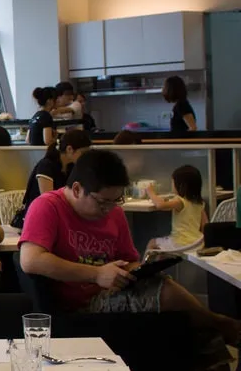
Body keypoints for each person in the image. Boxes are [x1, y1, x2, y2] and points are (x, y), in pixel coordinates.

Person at [18, 149, 239, 359]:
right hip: (79, 305)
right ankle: (221, 323)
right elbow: (30, 260)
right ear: (77, 189)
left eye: (116, 201)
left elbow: (129, 259)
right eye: (103, 202)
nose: (109, 209)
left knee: (195, 329)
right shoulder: (47, 206)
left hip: (115, 292)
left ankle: (216, 344)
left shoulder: (114, 213)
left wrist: (142, 269)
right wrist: (96, 274)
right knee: (168, 297)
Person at [16, 129, 92, 223]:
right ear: (69, 149)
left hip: (59, 215)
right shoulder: (46, 166)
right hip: (38, 217)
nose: (85, 157)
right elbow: (48, 201)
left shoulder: (71, 167)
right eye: (83, 153)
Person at [146, 165, 207, 251]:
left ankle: (144, 261)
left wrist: (150, 192)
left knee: (152, 243)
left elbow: (160, 205)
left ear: (181, 185)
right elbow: (205, 224)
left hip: (179, 243)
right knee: (163, 243)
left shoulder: (180, 201)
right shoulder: (199, 203)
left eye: (173, 182)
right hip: (197, 242)